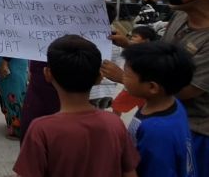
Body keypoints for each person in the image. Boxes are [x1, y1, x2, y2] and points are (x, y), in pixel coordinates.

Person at [105, 0, 209, 176]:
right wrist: (130, 47)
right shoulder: (180, 16)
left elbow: (183, 89)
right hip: (160, 113)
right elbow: (161, 59)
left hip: (196, 131)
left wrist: (123, 78)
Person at [13, 35, 140, 177]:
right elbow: (130, 172)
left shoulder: (40, 129)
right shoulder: (115, 124)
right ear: (100, 77)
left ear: (47, 74)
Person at [122, 42, 196, 177]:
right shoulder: (173, 104)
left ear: (152, 87)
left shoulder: (157, 131)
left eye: (126, 74)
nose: (122, 77)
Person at [112, 26, 157, 115]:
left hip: (133, 89)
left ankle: (116, 125)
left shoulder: (145, 56)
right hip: (137, 89)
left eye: (135, 36)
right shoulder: (138, 51)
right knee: (143, 109)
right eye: (131, 36)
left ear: (146, 41)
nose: (131, 38)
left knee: (116, 107)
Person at [0, 56, 28, 140]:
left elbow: (12, 43)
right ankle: (12, 124)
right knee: (4, 91)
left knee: (13, 93)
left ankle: (18, 128)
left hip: (12, 61)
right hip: (1, 59)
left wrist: (5, 61)